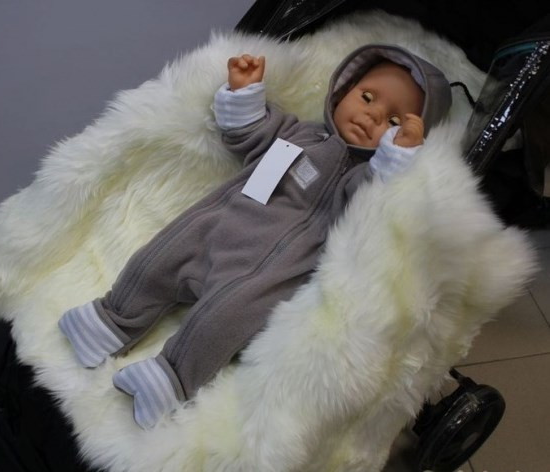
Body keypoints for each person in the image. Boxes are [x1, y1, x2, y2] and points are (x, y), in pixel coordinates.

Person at [58, 44, 452, 429]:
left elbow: (375, 207)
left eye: (394, 122)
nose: (372, 115)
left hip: (262, 277)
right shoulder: (297, 134)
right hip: (211, 229)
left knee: (222, 321)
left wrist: (394, 162)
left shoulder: (359, 181)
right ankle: (110, 321)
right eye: (366, 97)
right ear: (343, 90)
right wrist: (244, 93)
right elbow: (248, 132)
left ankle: (170, 378)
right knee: (155, 260)